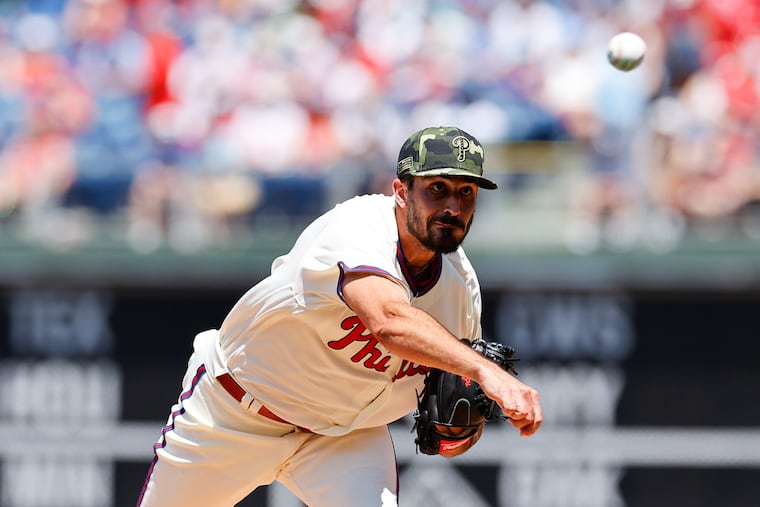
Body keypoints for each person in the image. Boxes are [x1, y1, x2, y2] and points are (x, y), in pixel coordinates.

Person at [137, 126, 542, 507]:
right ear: (401, 191)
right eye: (437, 189)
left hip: (343, 440)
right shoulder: (359, 226)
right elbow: (389, 321)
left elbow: (454, 390)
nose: (453, 207)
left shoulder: (460, 288)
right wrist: (487, 372)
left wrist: (463, 423)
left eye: (466, 193)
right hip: (235, 414)